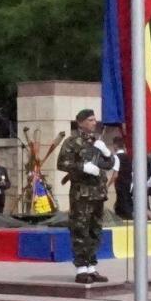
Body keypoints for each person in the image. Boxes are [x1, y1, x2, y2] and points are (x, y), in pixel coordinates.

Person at [56, 109, 114, 283]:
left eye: (95, 120)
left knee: (95, 230)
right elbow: (62, 163)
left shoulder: (97, 142)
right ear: (80, 122)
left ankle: (91, 267)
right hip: (82, 195)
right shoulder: (72, 142)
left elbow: (109, 164)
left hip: (98, 194)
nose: (94, 123)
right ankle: (81, 268)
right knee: (80, 230)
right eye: (90, 120)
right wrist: (83, 167)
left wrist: (106, 153)